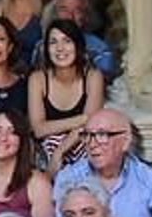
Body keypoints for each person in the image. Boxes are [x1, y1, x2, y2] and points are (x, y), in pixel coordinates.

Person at [28, 19, 106, 170]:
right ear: (46, 48)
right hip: (46, 152)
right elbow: (38, 129)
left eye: (67, 41)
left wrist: (60, 151)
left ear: (78, 46)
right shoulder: (38, 79)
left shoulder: (93, 76)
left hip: (82, 144)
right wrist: (82, 119)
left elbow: (91, 125)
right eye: (53, 42)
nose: (60, 48)